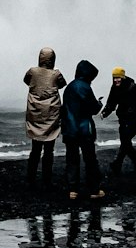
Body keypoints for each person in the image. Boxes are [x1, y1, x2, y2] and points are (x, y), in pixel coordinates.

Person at [61, 59, 105, 201]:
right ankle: (94, 190)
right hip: (84, 129)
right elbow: (92, 109)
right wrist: (99, 103)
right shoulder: (85, 87)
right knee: (90, 159)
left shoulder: (69, 88)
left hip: (69, 129)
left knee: (72, 159)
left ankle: (73, 190)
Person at [23, 47, 66, 188]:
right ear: (53, 59)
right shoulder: (56, 74)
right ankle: (47, 178)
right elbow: (62, 84)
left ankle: (31, 177)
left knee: (35, 148)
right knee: (49, 149)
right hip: (51, 116)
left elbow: (26, 81)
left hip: (36, 114)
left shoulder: (32, 72)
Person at [100, 66, 136, 176]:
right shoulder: (114, 88)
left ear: (122, 77)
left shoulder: (134, 87)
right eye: (114, 78)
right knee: (125, 143)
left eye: (118, 78)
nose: (116, 80)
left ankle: (120, 164)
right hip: (122, 120)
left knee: (126, 142)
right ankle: (133, 165)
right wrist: (105, 113)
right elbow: (111, 103)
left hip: (134, 120)